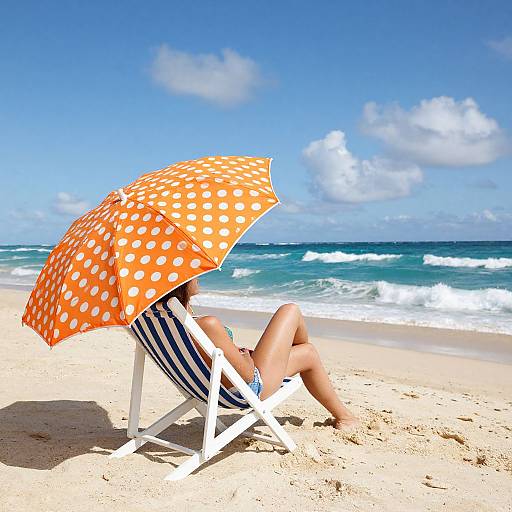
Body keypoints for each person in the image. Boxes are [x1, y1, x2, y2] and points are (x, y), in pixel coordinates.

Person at [158, 277, 360, 430]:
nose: (198, 277)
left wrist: (233, 353)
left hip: (203, 388)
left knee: (306, 351)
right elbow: (246, 374)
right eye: (193, 274)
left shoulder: (158, 321)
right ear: (180, 282)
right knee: (291, 312)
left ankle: (344, 416)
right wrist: (243, 356)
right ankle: (345, 417)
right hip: (245, 390)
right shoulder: (207, 325)